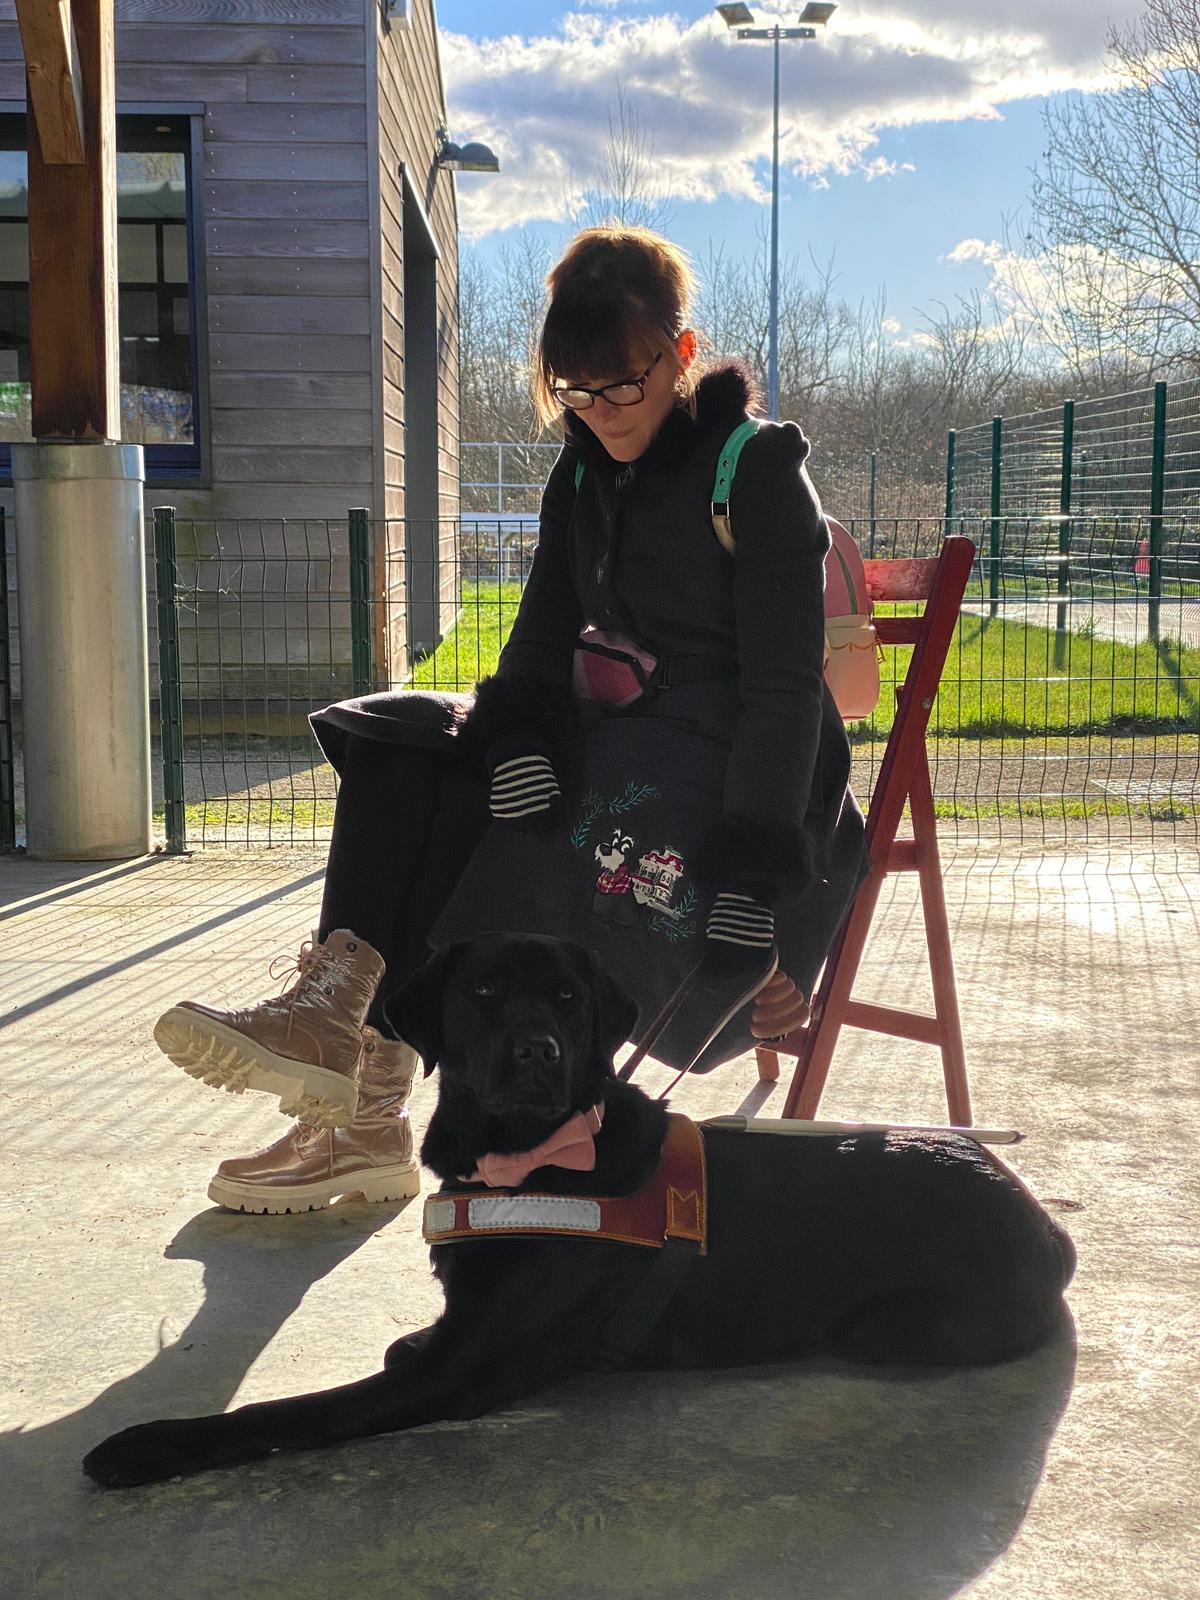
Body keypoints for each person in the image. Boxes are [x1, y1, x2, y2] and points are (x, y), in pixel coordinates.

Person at [155, 226, 868, 1213]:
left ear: (681, 350)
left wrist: (753, 868)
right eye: (576, 390)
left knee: (498, 820)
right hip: (619, 733)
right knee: (402, 739)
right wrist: (522, 734)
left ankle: (363, 1105)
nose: (604, 411)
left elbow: (789, 692)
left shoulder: (751, 471)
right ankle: (336, 1010)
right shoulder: (579, 473)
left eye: (626, 382)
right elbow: (536, 640)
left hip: (739, 772)